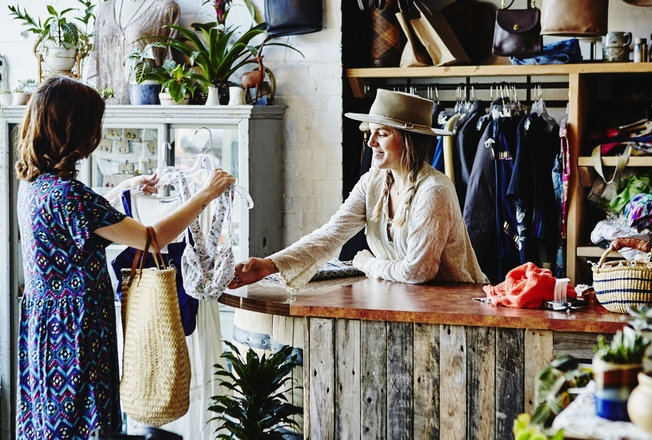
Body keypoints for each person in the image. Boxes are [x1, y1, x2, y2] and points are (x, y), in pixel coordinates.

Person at [14, 74, 235, 438]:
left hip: (44, 326)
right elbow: (153, 239)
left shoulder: (36, 186)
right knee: (86, 424)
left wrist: (124, 189)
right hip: (77, 332)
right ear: (77, 131)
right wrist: (205, 195)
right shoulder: (73, 197)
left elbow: (80, 224)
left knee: (50, 423)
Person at [229, 89, 488, 293]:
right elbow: (330, 235)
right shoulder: (372, 182)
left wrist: (367, 263)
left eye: (382, 134)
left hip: (460, 308)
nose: (371, 142)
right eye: (371, 133)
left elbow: (419, 271)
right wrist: (269, 265)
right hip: (412, 301)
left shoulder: (433, 191)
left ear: (409, 140)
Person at [85, 0, 181, 104]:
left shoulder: (165, 8)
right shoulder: (104, 10)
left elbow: (171, 63)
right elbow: (95, 64)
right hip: (107, 109)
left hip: (145, 107)